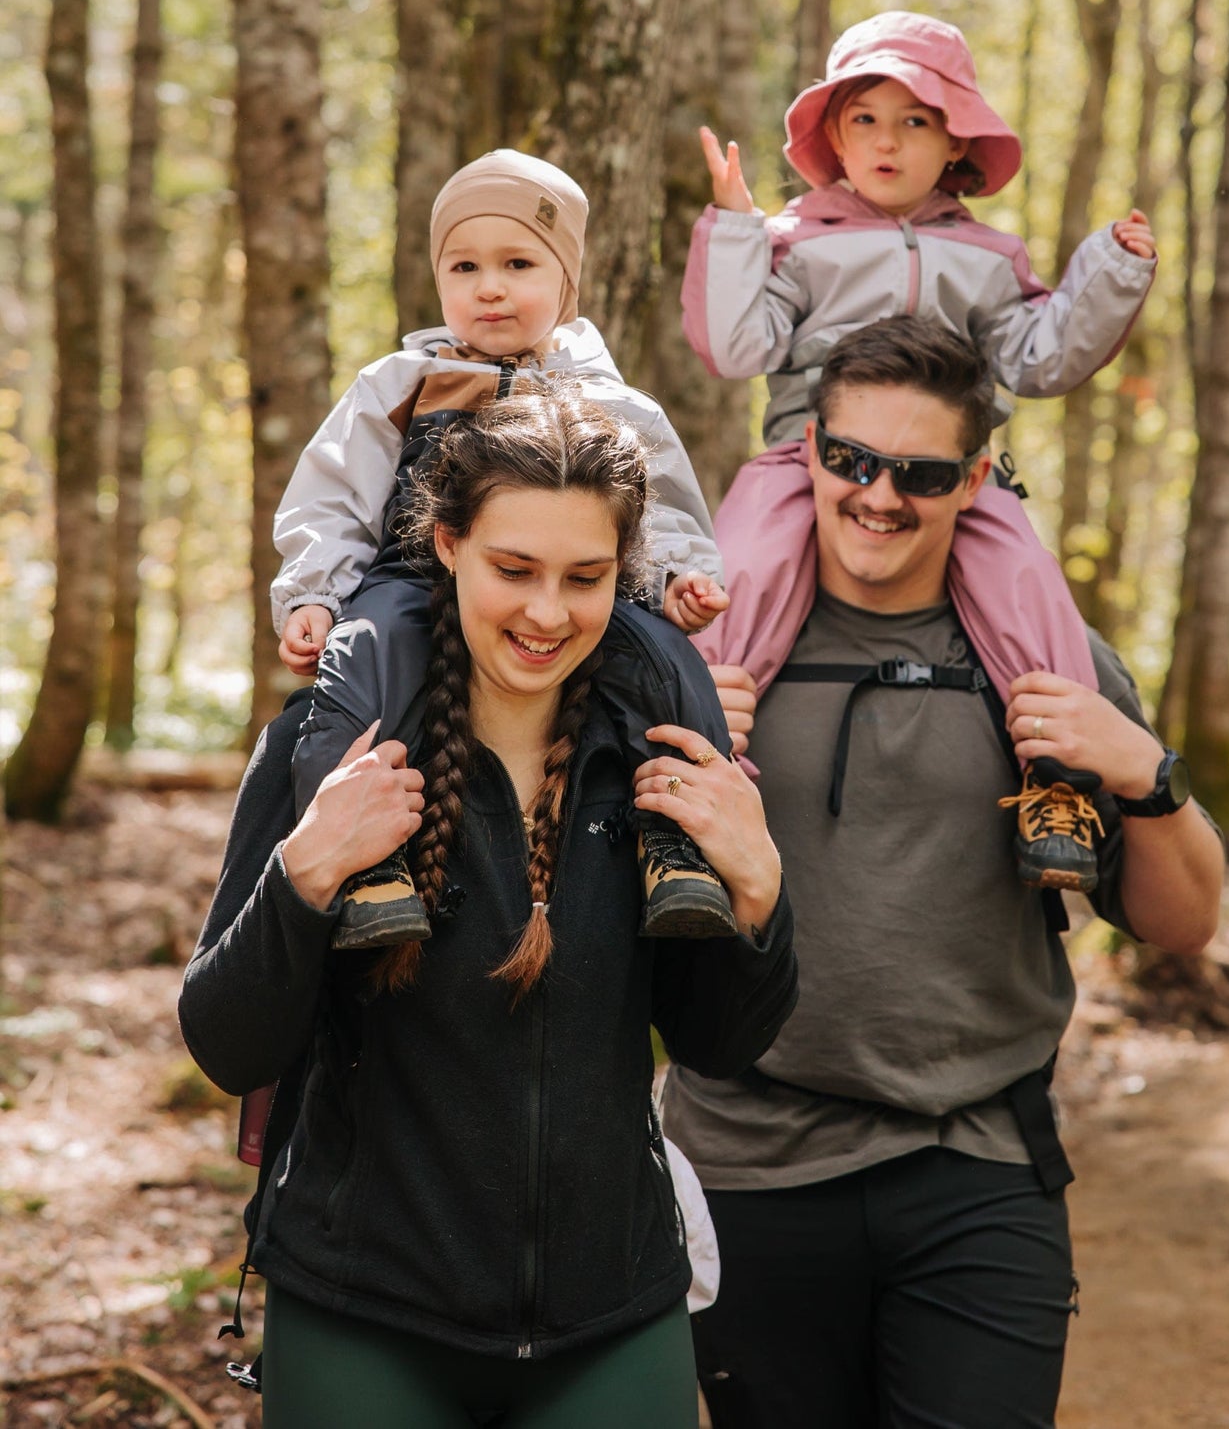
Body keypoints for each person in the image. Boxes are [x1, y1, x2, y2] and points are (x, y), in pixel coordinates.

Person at [181, 392, 798, 1428]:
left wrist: (760, 892)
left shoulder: (660, 761)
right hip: (360, 1307)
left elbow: (719, 1042)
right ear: (449, 545)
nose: (546, 612)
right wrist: (306, 873)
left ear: (623, 574)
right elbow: (228, 1042)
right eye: (513, 569)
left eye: (584, 577)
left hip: (612, 1310)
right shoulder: (325, 750)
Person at [663, 318, 1224, 1429]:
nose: (878, 496)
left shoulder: (1044, 658)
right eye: (850, 459)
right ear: (806, 452)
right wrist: (675, 734)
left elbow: (1182, 919)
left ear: (974, 479)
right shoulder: (705, 650)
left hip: (976, 1157)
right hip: (747, 1163)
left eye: (919, 473)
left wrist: (1144, 773)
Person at [682, 9, 1159, 894]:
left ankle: (1058, 785)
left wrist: (1109, 273)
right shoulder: (798, 244)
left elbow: (1039, 356)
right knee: (740, 566)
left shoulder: (986, 257)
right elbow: (735, 348)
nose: (887, 141)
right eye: (864, 118)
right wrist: (736, 229)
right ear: (832, 135)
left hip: (952, 476)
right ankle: (693, 776)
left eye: (916, 121)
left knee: (1028, 584)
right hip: (804, 457)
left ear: (956, 144)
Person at [274, 149, 738, 952]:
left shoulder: (613, 401)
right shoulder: (401, 381)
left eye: (517, 263)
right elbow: (332, 496)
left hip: (576, 586)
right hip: (411, 578)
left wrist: (678, 580)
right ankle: (362, 858)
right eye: (465, 265)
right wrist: (313, 593)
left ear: (566, 280)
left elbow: (657, 508)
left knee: (670, 664)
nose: (489, 286)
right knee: (360, 659)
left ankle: (676, 843)